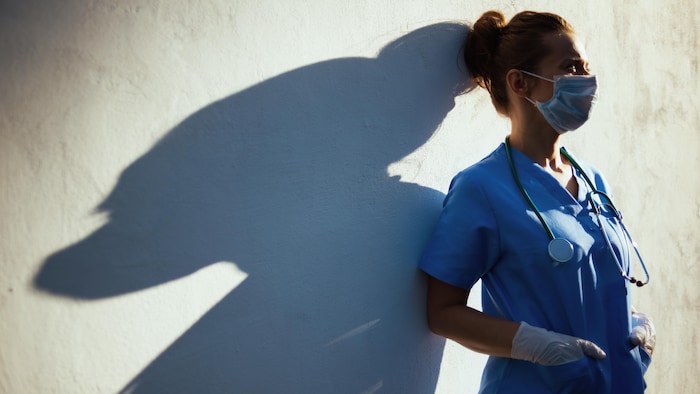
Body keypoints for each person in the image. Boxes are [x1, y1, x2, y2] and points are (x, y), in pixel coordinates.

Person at [419, 10, 656, 393]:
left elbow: (595, 286)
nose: (587, 80)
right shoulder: (481, 188)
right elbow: (443, 314)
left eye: (586, 67)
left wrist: (638, 325)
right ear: (521, 83)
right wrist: (534, 345)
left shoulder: (593, 181)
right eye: (571, 67)